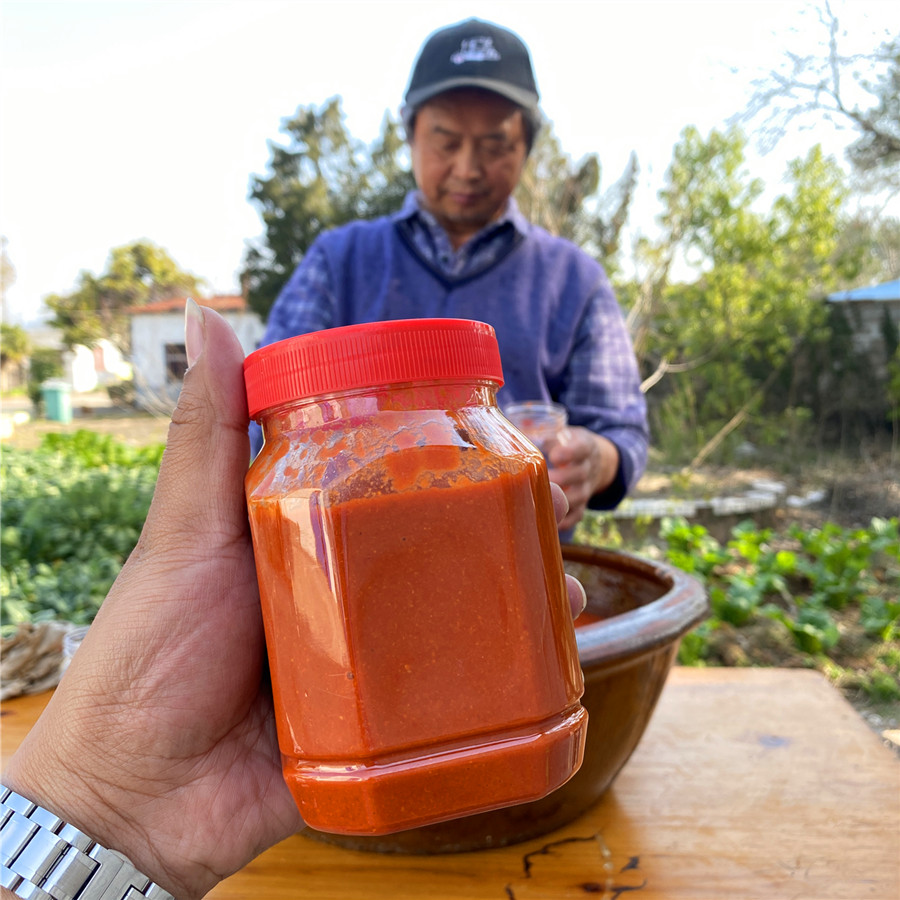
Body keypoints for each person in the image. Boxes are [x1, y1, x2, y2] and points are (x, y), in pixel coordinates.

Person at [1, 302, 588, 900]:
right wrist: (105, 806)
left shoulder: (464, 449)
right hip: (416, 766)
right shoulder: (297, 469)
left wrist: (104, 817)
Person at [251, 18, 649, 533]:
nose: (467, 168)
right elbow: (270, 423)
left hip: (526, 557)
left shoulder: (574, 279)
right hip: (359, 557)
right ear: (410, 134)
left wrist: (596, 458)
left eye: (494, 144)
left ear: (527, 145)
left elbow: (622, 434)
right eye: (445, 141)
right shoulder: (339, 261)